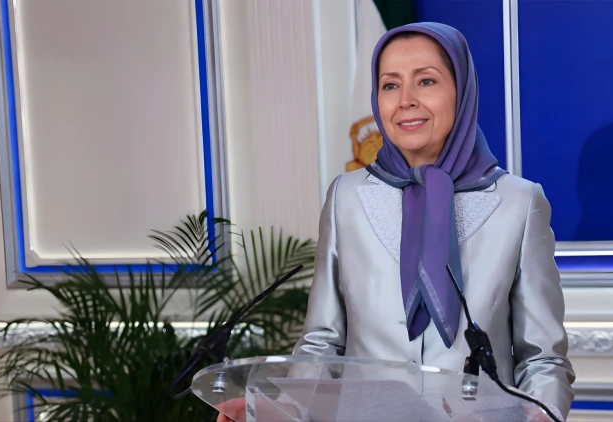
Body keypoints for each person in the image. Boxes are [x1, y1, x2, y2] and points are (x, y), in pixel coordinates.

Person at [217, 21, 575, 422]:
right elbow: (321, 345)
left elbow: (543, 360)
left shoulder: (519, 203)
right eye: (390, 85)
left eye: (426, 81)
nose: (405, 100)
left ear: (461, 91)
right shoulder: (346, 197)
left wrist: (541, 416)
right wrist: (276, 413)